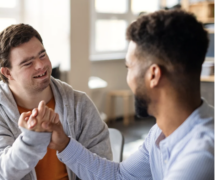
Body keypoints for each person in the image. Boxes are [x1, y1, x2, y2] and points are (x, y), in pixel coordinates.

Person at [20, 10, 214, 180]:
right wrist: (64, 143)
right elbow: (121, 176)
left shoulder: (201, 157)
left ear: (153, 75)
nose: (127, 77)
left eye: (129, 67)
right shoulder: (161, 132)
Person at [0, 23, 112, 180]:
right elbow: (1, 172)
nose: (41, 65)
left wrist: (66, 145)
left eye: (42, 55)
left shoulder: (79, 104)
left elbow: (104, 168)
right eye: (28, 63)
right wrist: (31, 139)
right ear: (7, 72)